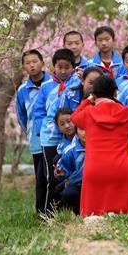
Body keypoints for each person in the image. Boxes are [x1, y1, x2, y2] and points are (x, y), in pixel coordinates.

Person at [70, 75, 128, 215]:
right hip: (122, 168)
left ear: (94, 94)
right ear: (115, 93)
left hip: (95, 169)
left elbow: (74, 117)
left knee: (95, 215)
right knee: (126, 215)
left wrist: (87, 101)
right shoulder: (126, 112)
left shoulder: (88, 113)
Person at [39, 49, 83, 214]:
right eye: (59, 67)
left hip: (70, 137)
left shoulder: (77, 84)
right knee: (51, 176)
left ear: (73, 67)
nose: (63, 71)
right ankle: (49, 212)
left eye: (67, 67)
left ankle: (66, 210)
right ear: (53, 67)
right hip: (50, 138)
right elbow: (39, 112)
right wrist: (42, 130)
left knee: (69, 172)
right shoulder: (46, 86)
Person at [14, 49, 52, 214]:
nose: (32, 65)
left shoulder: (53, 84)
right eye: (27, 63)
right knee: (41, 175)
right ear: (24, 67)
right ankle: (42, 210)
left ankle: (58, 208)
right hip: (36, 139)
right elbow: (21, 116)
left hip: (54, 137)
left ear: (42, 63)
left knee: (55, 172)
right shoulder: (23, 90)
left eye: (34, 61)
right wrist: (30, 131)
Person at [53, 128, 86, 215]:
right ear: (76, 132)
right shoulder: (71, 150)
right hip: (78, 184)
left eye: (88, 128)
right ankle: (76, 214)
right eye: (82, 129)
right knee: (69, 193)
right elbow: (63, 168)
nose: (85, 133)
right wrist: (60, 172)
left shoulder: (100, 147)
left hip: (97, 185)